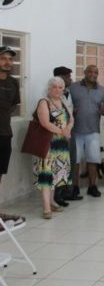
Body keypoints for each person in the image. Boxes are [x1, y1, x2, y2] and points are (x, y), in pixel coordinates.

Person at [34, 77, 74, 219]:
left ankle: (51, 201)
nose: (57, 90)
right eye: (54, 87)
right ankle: (46, 207)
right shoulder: (44, 102)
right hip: (48, 144)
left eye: (60, 87)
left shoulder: (63, 102)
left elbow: (71, 119)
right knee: (46, 175)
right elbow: (45, 123)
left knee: (57, 174)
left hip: (61, 145)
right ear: (49, 88)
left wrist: (68, 128)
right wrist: (62, 131)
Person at [69, 65, 104, 198]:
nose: (93, 74)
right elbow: (65, 105)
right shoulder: (73, 87)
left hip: (93, 131)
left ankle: (92, 186)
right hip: (75, 130)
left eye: (96, 72)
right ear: (84, 72)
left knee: (93, 159)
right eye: (90, 72)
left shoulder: (103, 90)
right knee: (75, 160)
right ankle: (74, 187)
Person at [0, 46, 25, 226]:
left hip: (4, 133)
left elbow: (14, 105)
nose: (7, 62)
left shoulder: (13, 83)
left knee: (0, 174)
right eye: (3, 58)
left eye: (10, 59)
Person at [52, 66, 78, 204]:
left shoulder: (68, 92)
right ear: (60, 77)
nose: (71, 79)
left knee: (71, 161)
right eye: (68, 77)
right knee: (60, 164)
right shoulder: (53, 94)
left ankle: (68, 191)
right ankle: (58, 195)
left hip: (70, 131)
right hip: (59, 134)